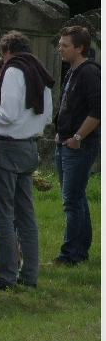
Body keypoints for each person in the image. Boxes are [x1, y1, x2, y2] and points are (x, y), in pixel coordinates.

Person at [0, 31, 54, 290]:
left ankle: (7, 276)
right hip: (29, 147)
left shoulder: (13, 71)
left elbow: (8, 114)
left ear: (7, 52)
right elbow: (46, 118)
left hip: (9, 146)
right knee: (26, 215)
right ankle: (30, 275)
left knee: (3, 215)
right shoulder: (40, 72)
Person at [50, 26, 100, 267]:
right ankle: (80, 250)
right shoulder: (72, 71)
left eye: (65, 45)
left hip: (80, 145)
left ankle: (69, 255)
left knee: (71, 200)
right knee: (76, 198)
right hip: (66, 142)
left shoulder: (89, 72)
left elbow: (98, 110)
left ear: (79, 48)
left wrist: (78, 138)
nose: (60, 49)